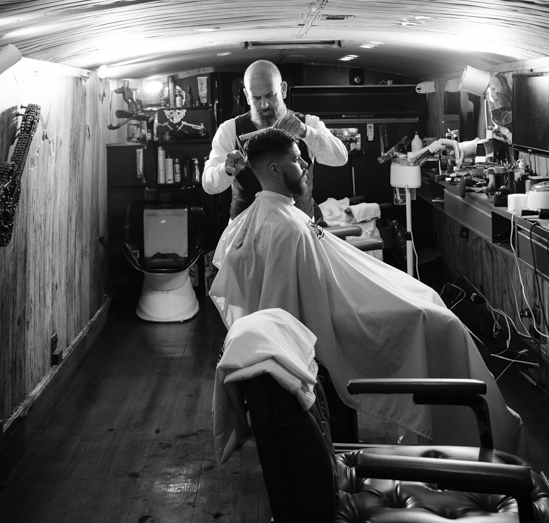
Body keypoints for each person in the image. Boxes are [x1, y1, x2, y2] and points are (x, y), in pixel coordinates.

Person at [209, 128, 527, 456]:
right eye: (296, 158)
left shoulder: (267, 215)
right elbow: (303, 310)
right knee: (440, 323)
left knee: (429, 300)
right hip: (338, 315)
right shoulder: (287, 228)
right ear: (275, 170)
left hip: (342, 298)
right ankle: (469, 440)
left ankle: (455, 435)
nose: (305, 163)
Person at [201, 59, 347, 218]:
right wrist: (226, 170)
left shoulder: (308, 123)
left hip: (300, 229)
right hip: (248, 232)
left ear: (283, 89)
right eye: (256, 98)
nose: (264, 105)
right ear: (247, 96)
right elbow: (209, 185)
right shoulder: (229, 130)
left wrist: (306, 132)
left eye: (270, 95)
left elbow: (340, 158)